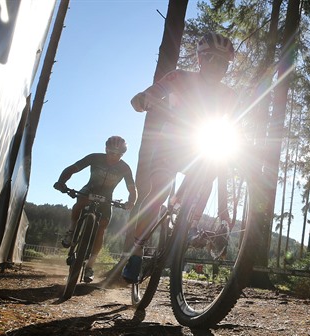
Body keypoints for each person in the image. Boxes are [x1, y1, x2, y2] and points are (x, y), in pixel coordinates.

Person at [121, 32, 237, 283]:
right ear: (199, 59)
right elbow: (152, 92)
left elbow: (239, 123)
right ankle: (136, 252)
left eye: (223, 63)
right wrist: (143, 98)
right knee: (158, 193)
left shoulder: (229, 95)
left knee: (212, 167)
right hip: (171, 144)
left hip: (201, 145)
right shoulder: (179, 77)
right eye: (210, 59)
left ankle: (191, 224)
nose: (216, 66)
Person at [54, 136, 136, 283]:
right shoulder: (94, 157)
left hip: (107, 196)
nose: (114, 157)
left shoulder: (124, 168)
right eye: (111, 152)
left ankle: (90, 266)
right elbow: (73, 168)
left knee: (102, 228)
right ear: (106, 149)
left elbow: (132, 188)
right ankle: (71, 231)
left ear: (123, 155)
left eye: (118, 155)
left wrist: (131, 201)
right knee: (80, 202)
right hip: (89, 189)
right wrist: (61, 182)